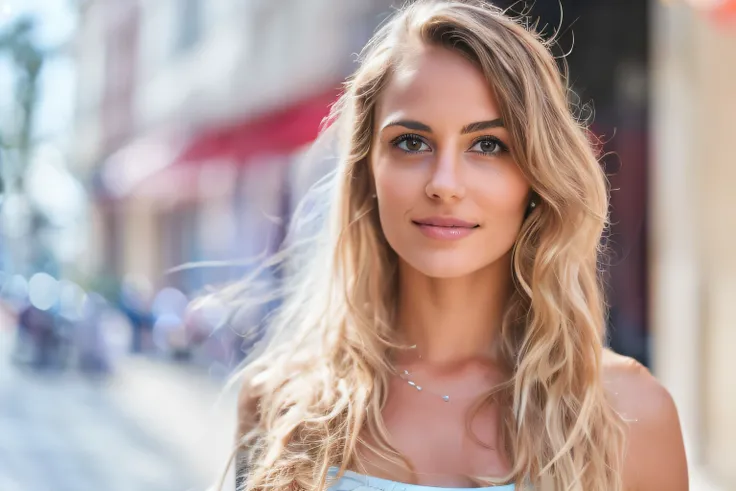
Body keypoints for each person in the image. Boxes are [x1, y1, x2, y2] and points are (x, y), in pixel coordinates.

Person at [227, 1, 688, 490]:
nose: (444, 184)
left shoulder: (629, 413)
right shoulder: (281, 404)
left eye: (488, 145)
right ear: (368, 170)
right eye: (411, 142)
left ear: (536, 176)